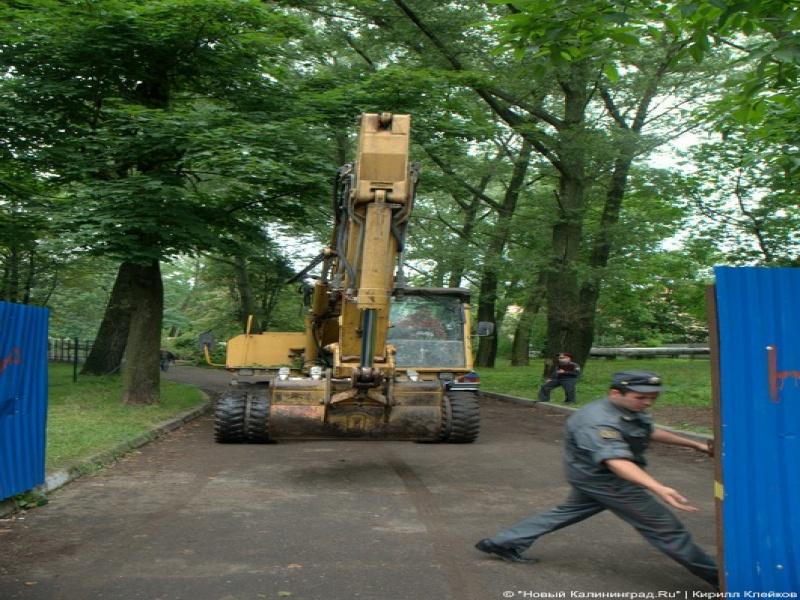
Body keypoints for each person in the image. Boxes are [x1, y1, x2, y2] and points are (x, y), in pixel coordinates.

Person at [476, 370, 719, 589]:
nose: (647, 403)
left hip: (590, 477)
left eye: (652, 398)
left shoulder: (628, 408)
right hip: (606, 481)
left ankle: (503, 542)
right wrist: (658, 487)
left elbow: (649, 430)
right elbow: (616, 461)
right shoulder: (598, 421)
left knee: (567, 511)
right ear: (616, 393)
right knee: (666, 528)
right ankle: (722, 580)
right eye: (641, 397)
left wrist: (694, 444)